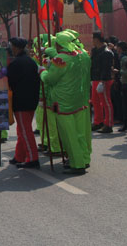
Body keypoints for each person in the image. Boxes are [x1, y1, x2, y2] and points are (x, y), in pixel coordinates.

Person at [40, 31, 91, 174]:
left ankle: (77, 164)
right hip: (79, 99)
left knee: (69, 135)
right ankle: (84, 158)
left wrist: (42, 71)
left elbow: (50, 79)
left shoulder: (61, 59)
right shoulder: (82, 55)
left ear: (59, 44)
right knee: (80, 133)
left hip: (63, 101)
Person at [6, 37, 40, 168]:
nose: (11, 48)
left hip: (21, 102)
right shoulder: (30, 61)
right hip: (31, 100)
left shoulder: (16, 63)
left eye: (12, 46)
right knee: (22, 130)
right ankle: (19, 156)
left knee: (25, 131)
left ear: (16, 47)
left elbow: (9, 82)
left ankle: (33, 158)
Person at [90, 32, 115, 133]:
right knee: (95, 101)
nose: (92, 41)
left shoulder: (106, 52)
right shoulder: (95, 50)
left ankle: (108, 124)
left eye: (93, 39)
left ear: (96, 39)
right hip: (95, 79)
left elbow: (106, 68)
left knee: (106, 102)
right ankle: (98, 122)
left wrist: (102, 81)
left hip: (103, 80)